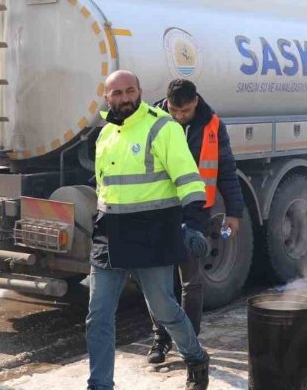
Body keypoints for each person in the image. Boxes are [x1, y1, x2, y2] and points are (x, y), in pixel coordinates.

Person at [86, 70, 211, 390]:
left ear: (140, 91)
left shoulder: (162, 126)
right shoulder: (105, 135)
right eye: (117, 93)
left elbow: (189, 179)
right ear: (106, 97)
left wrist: (194, 226)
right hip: (109, 235)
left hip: (153, 232)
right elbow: (104, 186)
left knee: (165, 310)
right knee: (98, 317)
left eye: (130, 91)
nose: (124, 98)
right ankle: (100, 385)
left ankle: (195, 356)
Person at [146, 78, 245, 364]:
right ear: (166, 102)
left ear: (196, 102)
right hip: (159, 209)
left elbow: (226, 170)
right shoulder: (153, 120)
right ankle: (160, 341)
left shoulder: (213, 125)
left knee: (190, 280)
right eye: (174, 111)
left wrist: (235, 213)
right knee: (160, 281)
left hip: (195, 212)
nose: (179, 117)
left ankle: (188, 341)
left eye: (185, 111)